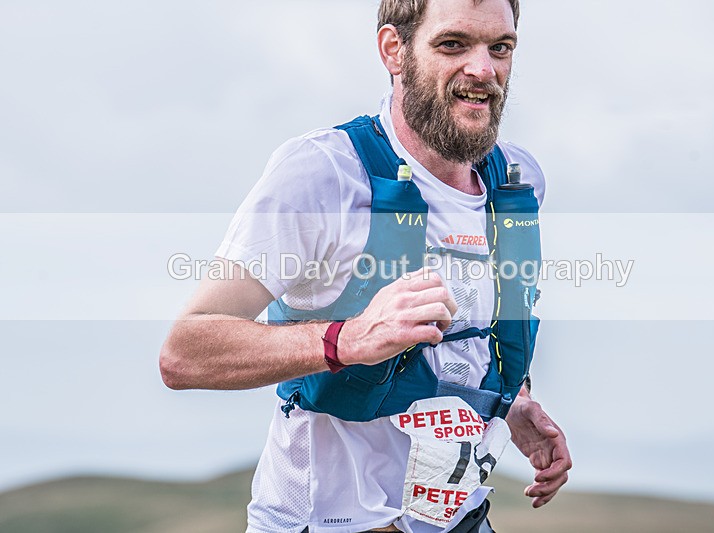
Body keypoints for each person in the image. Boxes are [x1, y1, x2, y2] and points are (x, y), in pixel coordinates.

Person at [160, 0, 571, 531]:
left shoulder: (517, 183)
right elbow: (185, 352)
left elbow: (466, 339)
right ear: (393, 49)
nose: (484, 69)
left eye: (501, 47)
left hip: (464, 520)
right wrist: (347, 338)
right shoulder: (322, 173)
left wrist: (513, 402)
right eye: (453, 44)